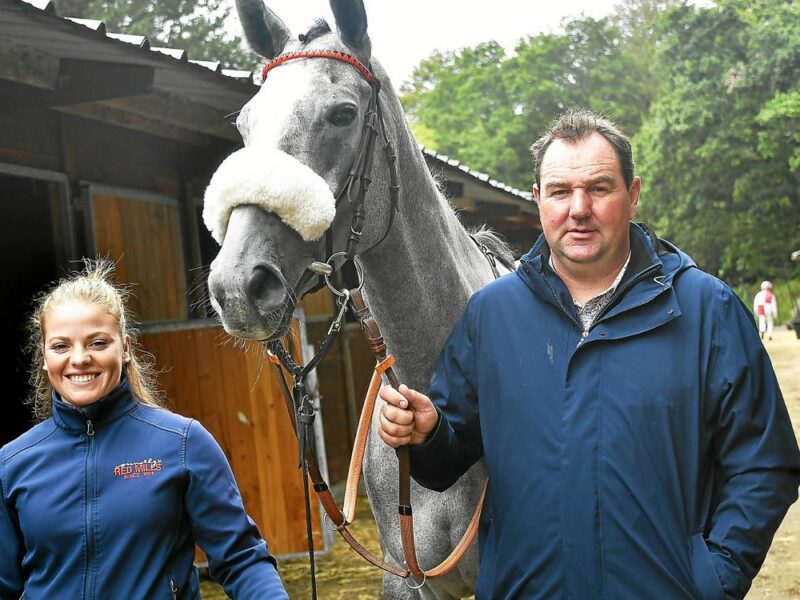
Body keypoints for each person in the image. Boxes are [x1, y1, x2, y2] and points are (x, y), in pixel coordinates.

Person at [378, 109, 800, 599]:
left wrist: (711, 577)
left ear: (632, 195)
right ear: (539, 200)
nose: (578, 208)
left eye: (599, 188)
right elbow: (447, 460)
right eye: (560, 191)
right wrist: (428, 435)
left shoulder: (706, 310)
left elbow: (765, 465)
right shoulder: (491, 316)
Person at [0, 260, 288, 599]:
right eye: (61, 346)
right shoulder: (12, 464)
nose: (79, 359)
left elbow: (241, 559)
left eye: (97, 343)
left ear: (124, 349)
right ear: (45, 356)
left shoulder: (182, 444)